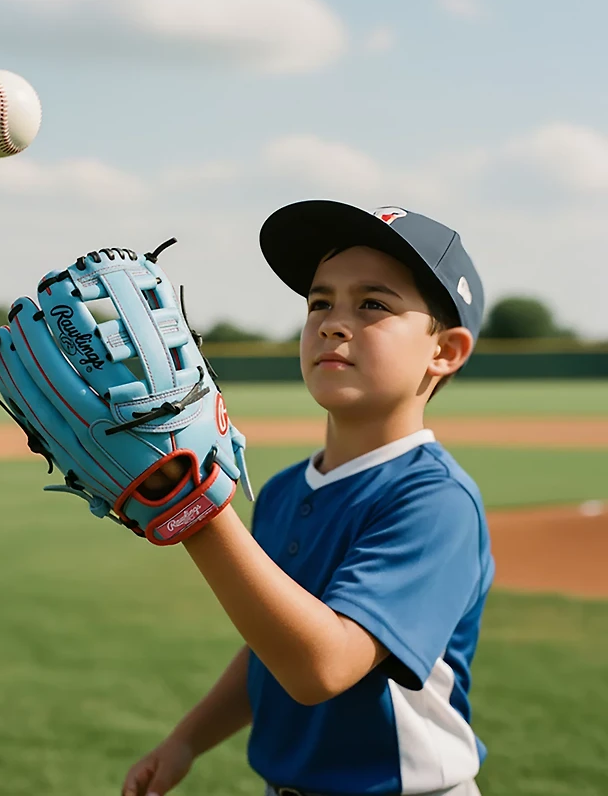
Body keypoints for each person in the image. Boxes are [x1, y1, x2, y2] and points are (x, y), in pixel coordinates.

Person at [121, 200, 495, 796]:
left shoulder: (435, 502)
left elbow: (322, 667)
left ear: (444, 351)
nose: (333, 322)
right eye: (320, 301)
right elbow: (272, 649)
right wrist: (186, 739)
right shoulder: (283, 490)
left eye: (373, 303)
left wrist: (191, 510)